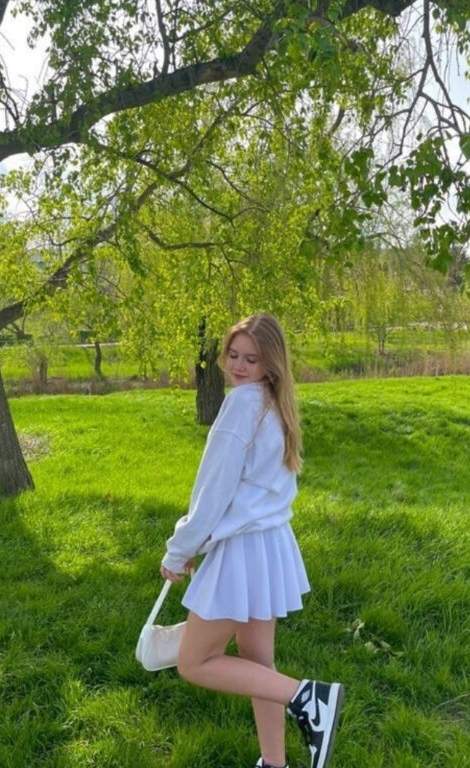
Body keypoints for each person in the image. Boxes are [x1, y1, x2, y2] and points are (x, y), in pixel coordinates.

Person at [160, 313, 344, 768]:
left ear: (270, 363)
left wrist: (179, 551)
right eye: (233, 355)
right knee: (257, 664)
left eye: (251, 358)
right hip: (270, 545)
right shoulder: (274, 403)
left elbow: (213, 492)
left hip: (244, 549)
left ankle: (308, 697)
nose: (239, 366)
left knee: (194, 661)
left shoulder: (242, 404)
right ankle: (274, 763)